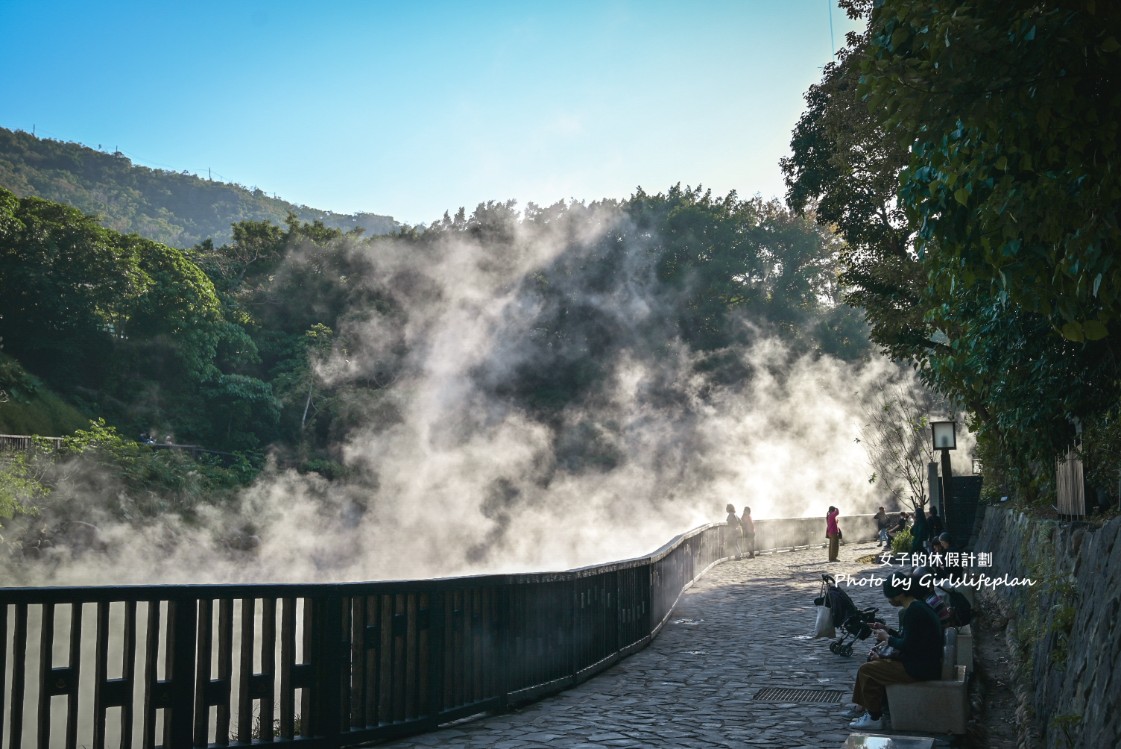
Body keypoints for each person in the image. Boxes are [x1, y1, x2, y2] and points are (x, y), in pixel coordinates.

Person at [847, 575, 944, 730]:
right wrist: (887, 630)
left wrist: (887, 638)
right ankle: (865, 707)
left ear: (900, 594)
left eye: (890, 597)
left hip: (920, 668)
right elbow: (911, 638)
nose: (889, 601)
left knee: (867, 670)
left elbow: (908, 645)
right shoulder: (919, 607)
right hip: (924, 662)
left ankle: (874, 717)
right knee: (872, 663)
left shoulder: (913, 612)